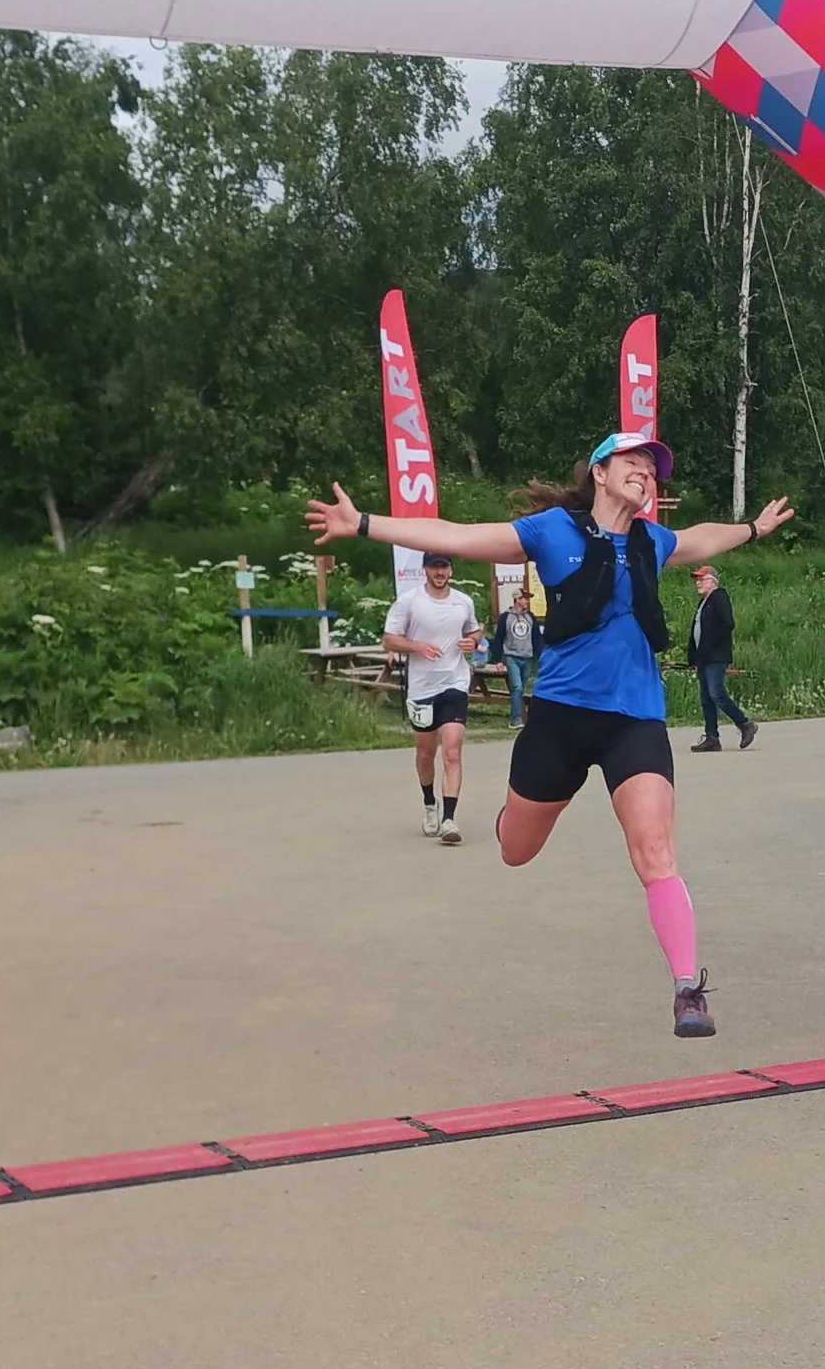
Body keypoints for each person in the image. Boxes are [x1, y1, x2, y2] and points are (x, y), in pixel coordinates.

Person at [308, 439, 793, 1036]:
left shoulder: (651, 541)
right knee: (516, 850)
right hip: (560, 719)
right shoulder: (553, 530)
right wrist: (363, 524)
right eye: (632, 463)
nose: (645, 472)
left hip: (634, 720)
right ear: (599, 473)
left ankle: (687, 988)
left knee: (656, 851)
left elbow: (700, 538)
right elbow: (457, 535)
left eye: (653, 468)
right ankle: (507, 816)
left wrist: (752, 528)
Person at [381, 548, 482, 844]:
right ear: (424, 570)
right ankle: (430, 804)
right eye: (434, 567)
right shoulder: (410, 602)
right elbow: (389, 639)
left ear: (451, 570)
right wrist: (417, 647)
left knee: (452, 751)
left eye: (444, 567)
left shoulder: (463, 602)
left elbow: (476, 631)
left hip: (455, 682)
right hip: (423, 687)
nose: (440, 572)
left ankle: (449, 819)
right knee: (426, 753)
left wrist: (471, 641)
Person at [686, 562, 757, 753]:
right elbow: (696, 632)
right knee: (706, 698)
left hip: (715, 656)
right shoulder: (703, 603)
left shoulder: (719, 597)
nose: (698, 583)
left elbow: (727, 624)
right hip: (703, 659)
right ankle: (711, 738)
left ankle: (744, 724)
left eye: (701, 579)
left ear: (712, 581)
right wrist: (693, 658)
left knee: (717, 693)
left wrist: (709, 648)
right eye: (697, 580)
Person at [496, 578, 538, 727]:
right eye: (524, 598)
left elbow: (535, 638)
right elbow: (499, 638)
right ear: (517, 600)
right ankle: (515, 719)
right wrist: (498, 660)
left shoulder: (530, 617)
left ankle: (520, 716)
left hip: (527, 656)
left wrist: (538, 657)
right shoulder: (505, 617)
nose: (526, 601)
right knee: (517, 687)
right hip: (511, 656)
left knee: (521, 689)